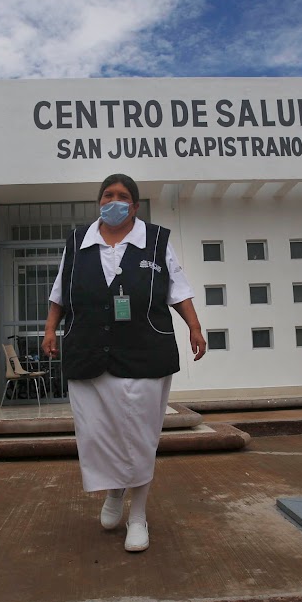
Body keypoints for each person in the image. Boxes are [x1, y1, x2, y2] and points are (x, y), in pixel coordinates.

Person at [42, 173, 206, 553]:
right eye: (106, 195)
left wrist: (194, 327)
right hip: (88, 354)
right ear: (99, 201)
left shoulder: (156, 241)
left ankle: (138, 514)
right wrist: (50, 330)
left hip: (144, 352)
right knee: (100, 433)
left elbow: (178, 289)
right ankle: (114, 493)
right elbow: (59, 292)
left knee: (139, 436)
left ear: (134, 205)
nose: (113, 201)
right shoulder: (77, 243)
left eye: (122, 196)